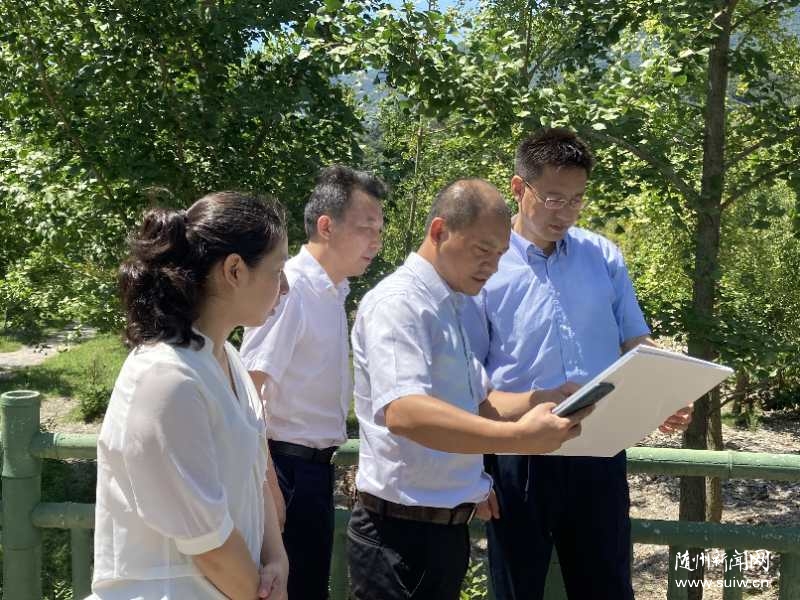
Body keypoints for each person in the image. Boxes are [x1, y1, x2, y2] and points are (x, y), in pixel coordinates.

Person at [463, 128, 692, 600]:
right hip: (517, 452)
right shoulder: (485, 265)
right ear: (518, 188)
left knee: (608, 587)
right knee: (515, 591)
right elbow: (467, 380)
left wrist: (663, 394)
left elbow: (636, 342)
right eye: (552, 198)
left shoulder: (603, 255)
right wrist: (472, 471)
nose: (564, 212)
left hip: (599, 450)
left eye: (576, 200)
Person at [347, 178, 593, 600]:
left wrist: (545, 398)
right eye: (482, 250)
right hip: (397, 535)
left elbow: (479, 404)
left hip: (444, 530)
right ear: (439, 231)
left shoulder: (454, 304)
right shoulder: (400, 302)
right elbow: (404, 411)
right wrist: (519, 439)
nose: (492, 267)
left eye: (499, 255)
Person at [91, 192, 290, 600]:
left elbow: (254, 478)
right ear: (234, 270)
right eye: (277, 270)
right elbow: (210, 546)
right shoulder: (167, 379)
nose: (285, 287)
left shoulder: (227, 359)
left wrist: (277, 560)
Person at [240, 165, 385, 600]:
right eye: (366, 228)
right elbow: (247, 390)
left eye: (379, 231)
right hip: (283, 470)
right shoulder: (292, 288)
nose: (376, 241)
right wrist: (267, 486)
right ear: (326, 226)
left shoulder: (332, 291)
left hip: (312, 471)